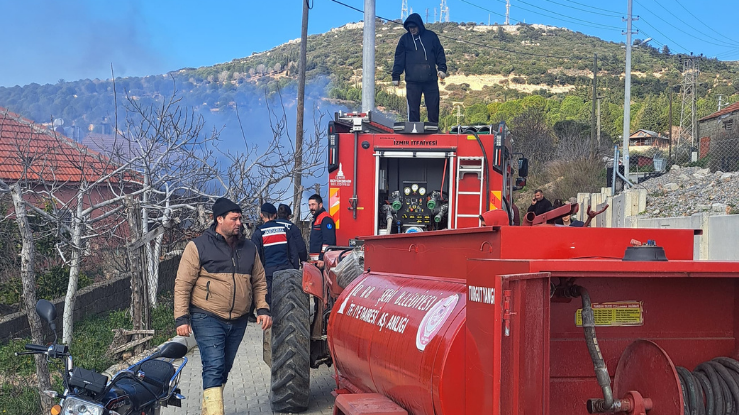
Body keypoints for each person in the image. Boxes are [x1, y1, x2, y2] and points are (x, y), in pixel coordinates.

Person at [174, 197, 272, 415]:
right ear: (219, 219)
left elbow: (259, 281)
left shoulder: (250, 248)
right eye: (234, 219)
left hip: (238, 319)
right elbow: (182, 284)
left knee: (224, 368)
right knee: (214, 365)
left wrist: (263, 308)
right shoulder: (198, 246)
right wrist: (181, 318)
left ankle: (208, 409)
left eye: (240, 218)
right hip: (206, 315)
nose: (239, 223)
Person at [391, 13, 447, 123]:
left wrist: (442, 69)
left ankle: (433, 130)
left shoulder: (431, 36)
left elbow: (439, 53)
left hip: (430, 80)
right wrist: (396, 75)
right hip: (412, 81)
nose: (412, 30)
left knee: (433, 108)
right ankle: (414, 130)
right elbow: (399, 58)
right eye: (410, 28)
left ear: (419, 26)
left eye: (414, 27)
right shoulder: (404, 39)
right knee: (413, 109)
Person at [251, 203, 299, 306]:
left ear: (261, 215)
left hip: (268, 275)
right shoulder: (285, 231)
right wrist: (295, 270)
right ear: (275, 215)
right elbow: (294, 253)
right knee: (287, 303)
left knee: (270, 305)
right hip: (286, 271)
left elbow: (255, 257)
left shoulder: (258, 233)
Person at [308, 194, 336, 266]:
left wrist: (322, 258)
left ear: (320, 205)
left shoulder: (325, 219)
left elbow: (328, 241)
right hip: (316, 261)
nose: (311, 208)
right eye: (309, 205)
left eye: (313, 204)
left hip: (321, 262)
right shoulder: (317, 219)